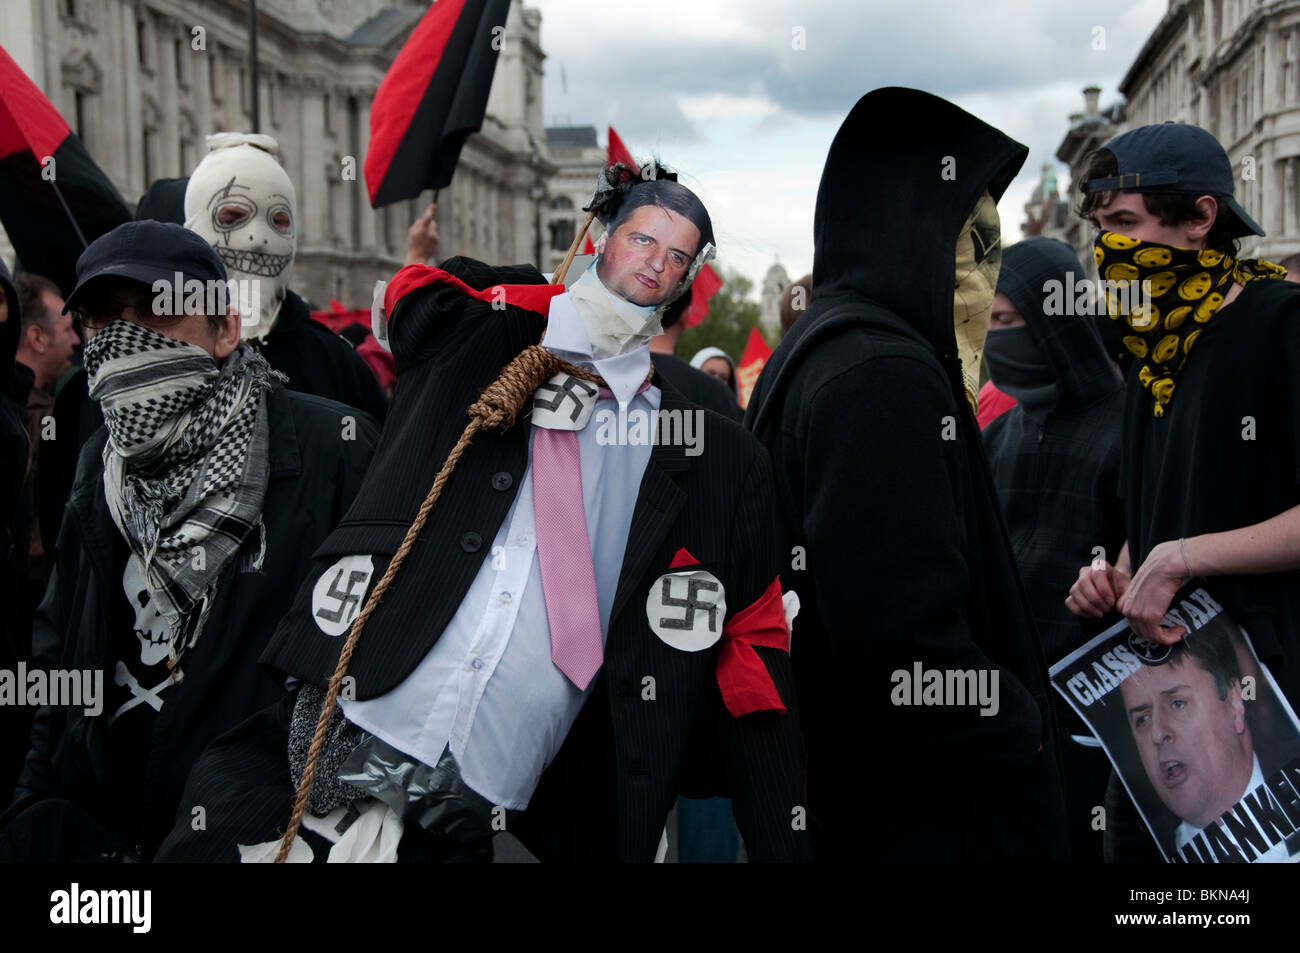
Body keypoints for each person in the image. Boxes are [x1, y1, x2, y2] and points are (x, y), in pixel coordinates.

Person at [156, 168, 808, 864]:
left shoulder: (716, 457)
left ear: (687, 281)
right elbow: (411, 307)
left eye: (677, 255)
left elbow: (756, 670)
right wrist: (542, 304)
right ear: (599, 238)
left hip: (509, 818)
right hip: (327, 747)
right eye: (643, 238)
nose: (655, 262)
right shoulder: (482, 340)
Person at [745, 86, 1070, 862]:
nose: (980, 283)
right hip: (924, 814)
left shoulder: (830, 347)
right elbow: (905, 647)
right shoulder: (882, 373)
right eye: (969, 246)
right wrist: (1022, 730)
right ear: (908, 231)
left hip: (859, 795)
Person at [0, 221, 379, 862]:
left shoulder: (334, 451)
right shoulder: (99, 465)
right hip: (112, 841)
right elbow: (61, 653)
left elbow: (380, 676)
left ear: (225, 329)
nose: (125, 345)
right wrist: (32, 806)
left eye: (156, 314)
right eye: (101, 323)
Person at [1064, 122, 1300, 858]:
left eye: (1127, 225)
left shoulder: (1279, 324)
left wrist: (1184, 558)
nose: (1109, 251)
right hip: (1159, 721)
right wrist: (1120, 575)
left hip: (1272, 717)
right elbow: (1155, 518)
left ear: (1201, 218)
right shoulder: (1151, 356)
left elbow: (1186, 542)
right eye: (1102, 230)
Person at [982, 237, 1125, 862]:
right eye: (987, 324)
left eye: (1008, 323)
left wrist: (1120, 580)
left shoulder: (1135, 426)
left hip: (1110, 719)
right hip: (1015, 715)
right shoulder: (997, 436)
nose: (996, 340)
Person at [183, 133, 387, 423]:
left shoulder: (336, 365)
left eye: (278, 221)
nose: (258, 240)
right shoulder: (159, 354)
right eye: (232, 218)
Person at [1119, 631, 1294, 861]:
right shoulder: (1131, 841)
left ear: (1234, 704)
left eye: (1178, 704)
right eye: (1142, 718)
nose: (1158, 733)